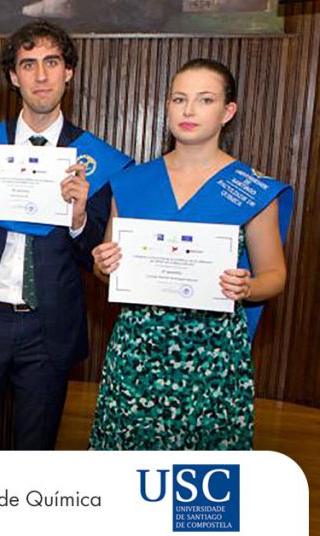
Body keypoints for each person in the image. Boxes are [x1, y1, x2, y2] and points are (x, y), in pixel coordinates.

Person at [0, 20, 133, 450]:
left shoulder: (96, 161)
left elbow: (97, 259)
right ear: (14, 77)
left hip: (49, 325)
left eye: (52, 62)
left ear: (69, 72)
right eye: (28, 65)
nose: (41, 75)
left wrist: (80, 218)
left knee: (35, 451)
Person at [90, 59, 293, 450]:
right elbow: (107, 271)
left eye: (204, 100)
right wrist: (103, 265)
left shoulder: (251, 190)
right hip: (138, 354)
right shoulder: (132, 183)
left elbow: (274, 275)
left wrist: (247, 287)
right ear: (166, 106)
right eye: (179, 99)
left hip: (214, 359)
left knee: (199, 493)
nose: (188, 110)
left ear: (227, 112)